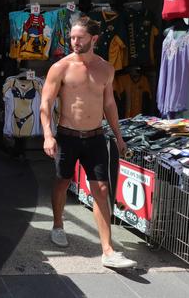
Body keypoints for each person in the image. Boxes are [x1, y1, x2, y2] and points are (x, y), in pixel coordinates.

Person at [40, 16, 137, 269]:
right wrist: (48, 135)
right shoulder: (60, 67)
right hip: (67, 136)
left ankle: (108, 250)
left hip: (95, 137)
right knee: (62, 182)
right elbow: (46, 104)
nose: (74, 42)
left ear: (93, 38)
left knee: (102, 190)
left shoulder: (106, 68)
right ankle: (58, 225)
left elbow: (109, 104)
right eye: (72, 37)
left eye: (79, 38)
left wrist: (118, 136)